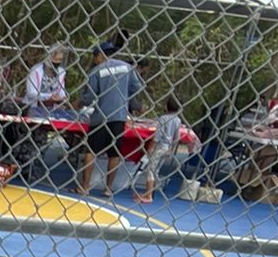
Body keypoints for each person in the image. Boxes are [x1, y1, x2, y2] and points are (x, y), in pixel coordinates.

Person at [76, 42, 142, 195]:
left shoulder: (96, 71)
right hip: (119, 116)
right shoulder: (127, 67)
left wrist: (80, 101)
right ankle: (108, 188)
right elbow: (136, 87)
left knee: (91, 150)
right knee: (114, 153)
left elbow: (89, 97)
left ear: (98, 55)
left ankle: (85, 186)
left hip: (100, 116)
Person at [134, 96, 185, 202]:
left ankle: (149, 195)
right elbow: (177, 136)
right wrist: (172, 148)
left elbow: (158, 135)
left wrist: (151, 147)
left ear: (167, 107)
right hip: (167, 147)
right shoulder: (177, 120)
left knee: (150, 169)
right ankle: (150, 192)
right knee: (156, 169)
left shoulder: (163, 118)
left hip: (160, 146)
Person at [23, 45, 68, 118]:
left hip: (51, 110)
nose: (57, 62)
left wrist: (62, 98)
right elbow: (31, 93)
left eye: (60, 60)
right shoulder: (36, 71)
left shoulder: (61, 72)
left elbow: (61, 93)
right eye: (55, 59)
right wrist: (49, 97)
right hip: (33, 108)